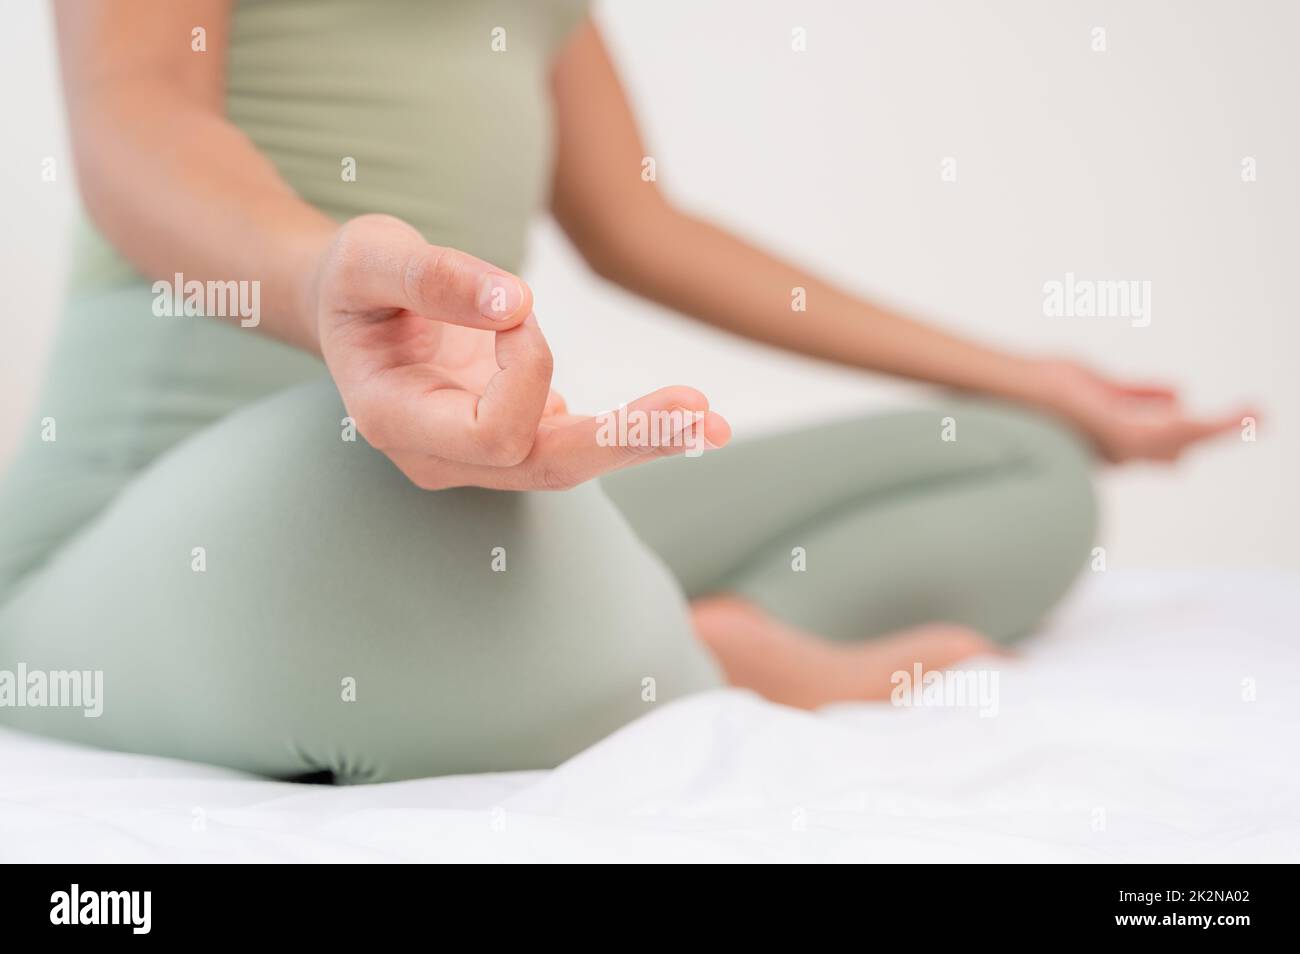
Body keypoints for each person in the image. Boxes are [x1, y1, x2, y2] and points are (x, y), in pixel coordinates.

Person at [0, 0, 1247, 782]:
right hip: (169, 520)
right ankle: (662, 656)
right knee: (357, 491)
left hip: (465, 481)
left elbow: (644, 226)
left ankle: (693, 640)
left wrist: (1034, 376)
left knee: (1020, 469)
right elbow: (136, 122)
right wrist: (321, 275)